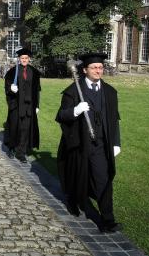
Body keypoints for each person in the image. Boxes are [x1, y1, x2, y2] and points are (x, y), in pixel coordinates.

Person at [56, 52, 122, 233]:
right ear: (85, 70)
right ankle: (73, 201)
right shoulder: (73, 91)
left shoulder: (109, 92)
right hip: (79, 143)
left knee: (103, 179)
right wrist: (75, 110)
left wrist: (116, 142)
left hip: (101, 144)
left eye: (100, 67)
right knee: (78, 176)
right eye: (94, 67)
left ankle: (108, 219)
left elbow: (115, 119)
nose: (98, 70)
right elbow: (61, 115)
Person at [4, 48, 41, 163]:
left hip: (29, 105)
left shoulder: (34, 72)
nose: (24, 60)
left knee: (26, 129)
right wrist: (11, 89)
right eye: (22, 58)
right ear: (19, 59)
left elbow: (37, 90)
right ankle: (11, 148)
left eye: (26, 58)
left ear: (29, 59)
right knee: (15, 127)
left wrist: (37, 105)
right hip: (16, 105)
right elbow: (7, 87)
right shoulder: (12, 71)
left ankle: (21, 152)